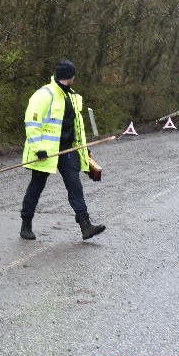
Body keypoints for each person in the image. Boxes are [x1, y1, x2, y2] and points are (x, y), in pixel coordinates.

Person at [20, 60, 105, 240]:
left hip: (67, 150)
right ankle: (25, 225)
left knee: (75, 185)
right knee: (36, 186)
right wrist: (38, 149)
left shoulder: (73, 97)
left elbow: (77, 128)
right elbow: (32, 124)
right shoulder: (44, 94)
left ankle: (85, 225)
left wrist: (85, 151)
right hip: (46, 153)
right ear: (72, 76)